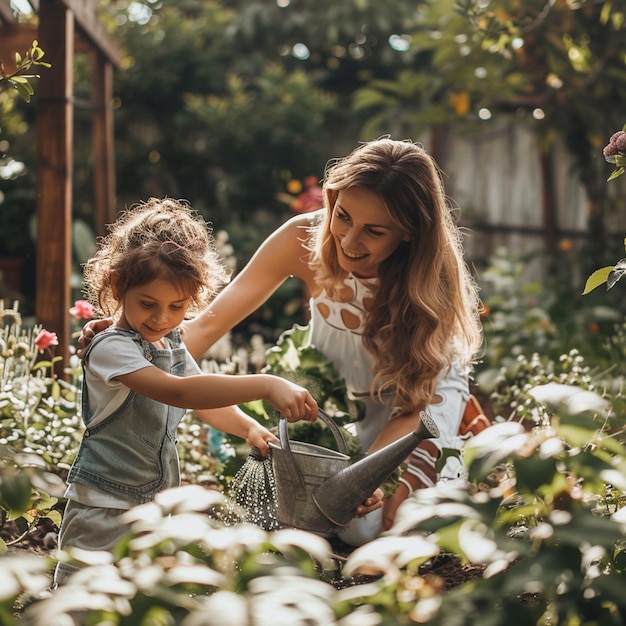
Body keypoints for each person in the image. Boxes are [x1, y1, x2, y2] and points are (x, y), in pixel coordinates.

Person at [81, 138, 484, 546]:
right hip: (336, 399)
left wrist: (367, 476)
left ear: (408, 233)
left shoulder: (427, 284)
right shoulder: (302, 237)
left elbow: (412, 405)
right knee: (300, 513)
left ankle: (453, 441)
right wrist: (127, 338)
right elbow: (202, 330)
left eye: (374, 231)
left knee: (367, 526)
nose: (348, 241)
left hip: (414, 404)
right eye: (342, 216)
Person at [54, 198, 318, 586]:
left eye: (177, 306)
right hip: (103, 506)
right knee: (82, 597)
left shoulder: (170, 342)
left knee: (134, 600)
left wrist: (247, 427)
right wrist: (265, 383)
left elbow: (205, 403)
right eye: (148, 303)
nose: (161, 318)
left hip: (152, 507)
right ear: (116, 284)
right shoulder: (111, 347)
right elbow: (179, 393)